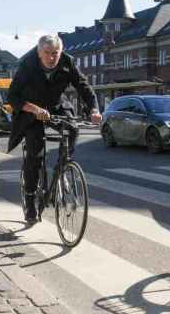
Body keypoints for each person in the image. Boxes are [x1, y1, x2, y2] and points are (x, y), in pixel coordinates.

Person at [7, 34, 102, 223]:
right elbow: (12, 97)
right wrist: (34, 109)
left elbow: (84, 87)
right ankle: (31, 199)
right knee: (35, 154)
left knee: (73, 128)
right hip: (31, 110)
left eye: (55, 53)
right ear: (39, 52)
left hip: (57, 106)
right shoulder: (27, 64)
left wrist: (94, 109)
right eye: (47, 53)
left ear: (61, 52)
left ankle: (62, 167)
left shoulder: (68, 62)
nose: (52, 58)